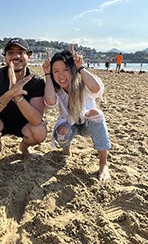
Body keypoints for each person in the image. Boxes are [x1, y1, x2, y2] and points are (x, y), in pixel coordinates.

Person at [43, 46, 111, 181]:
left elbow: (97, 89)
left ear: (72, 70)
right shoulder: (58, 90)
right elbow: (50, 102)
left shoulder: (82, 83)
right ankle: (66, 149)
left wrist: (81, 67)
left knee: (94, 113)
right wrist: (47, 75)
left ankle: (103, 164)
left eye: (65, 70)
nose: (60, 76)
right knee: (62, 131)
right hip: (69, 125)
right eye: (56, 71)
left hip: (88, 125)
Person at [0, 38, 46, 162]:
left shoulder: (37, 81)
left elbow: (36, 120)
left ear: (28, 56)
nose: (16, 56)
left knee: (39, 131)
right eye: (11, 52)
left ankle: (24, 148)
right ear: (5, 57)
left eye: (21, 52)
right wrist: (9, 94)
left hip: (25, 123)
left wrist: (18, 96)